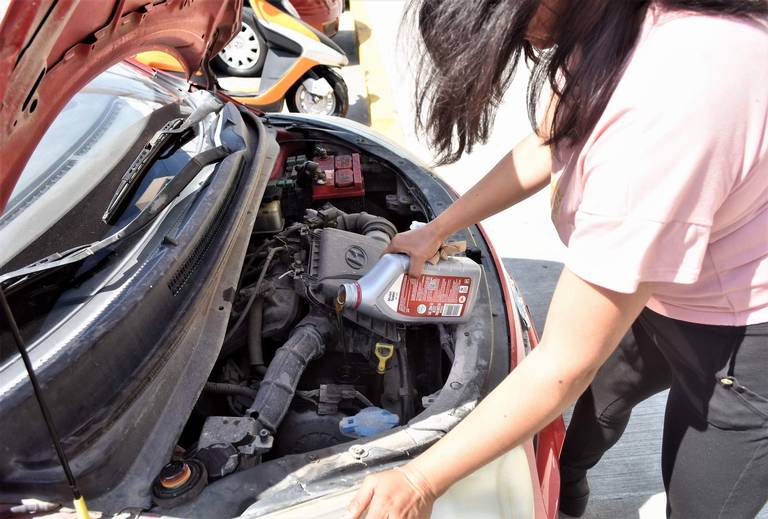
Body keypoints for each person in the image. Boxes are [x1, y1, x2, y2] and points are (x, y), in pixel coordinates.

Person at [344, 0, 768, 518]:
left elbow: (563, 364)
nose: (522, 45)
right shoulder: (609, 24)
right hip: (658, 292)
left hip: (742, 337)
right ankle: (568, 499)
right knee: (583, 425)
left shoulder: (671, 102)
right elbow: (549, 144)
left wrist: (418, 479)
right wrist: (438, 228)